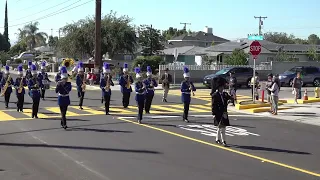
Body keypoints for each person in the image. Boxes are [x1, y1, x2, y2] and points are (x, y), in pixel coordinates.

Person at [212, 77, 231, 147]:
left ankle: (218, 139)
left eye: (223, 87)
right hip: (218, 113)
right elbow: (213, 105)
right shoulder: (215, 95)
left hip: (224, 113)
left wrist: (231, 98)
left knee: (222, 127)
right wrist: (213, 114)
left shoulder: (225, 94)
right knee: (221, 127)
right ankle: (223, 141)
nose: (222, 88)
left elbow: (230, 98)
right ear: (218, 87)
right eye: (221, 87)